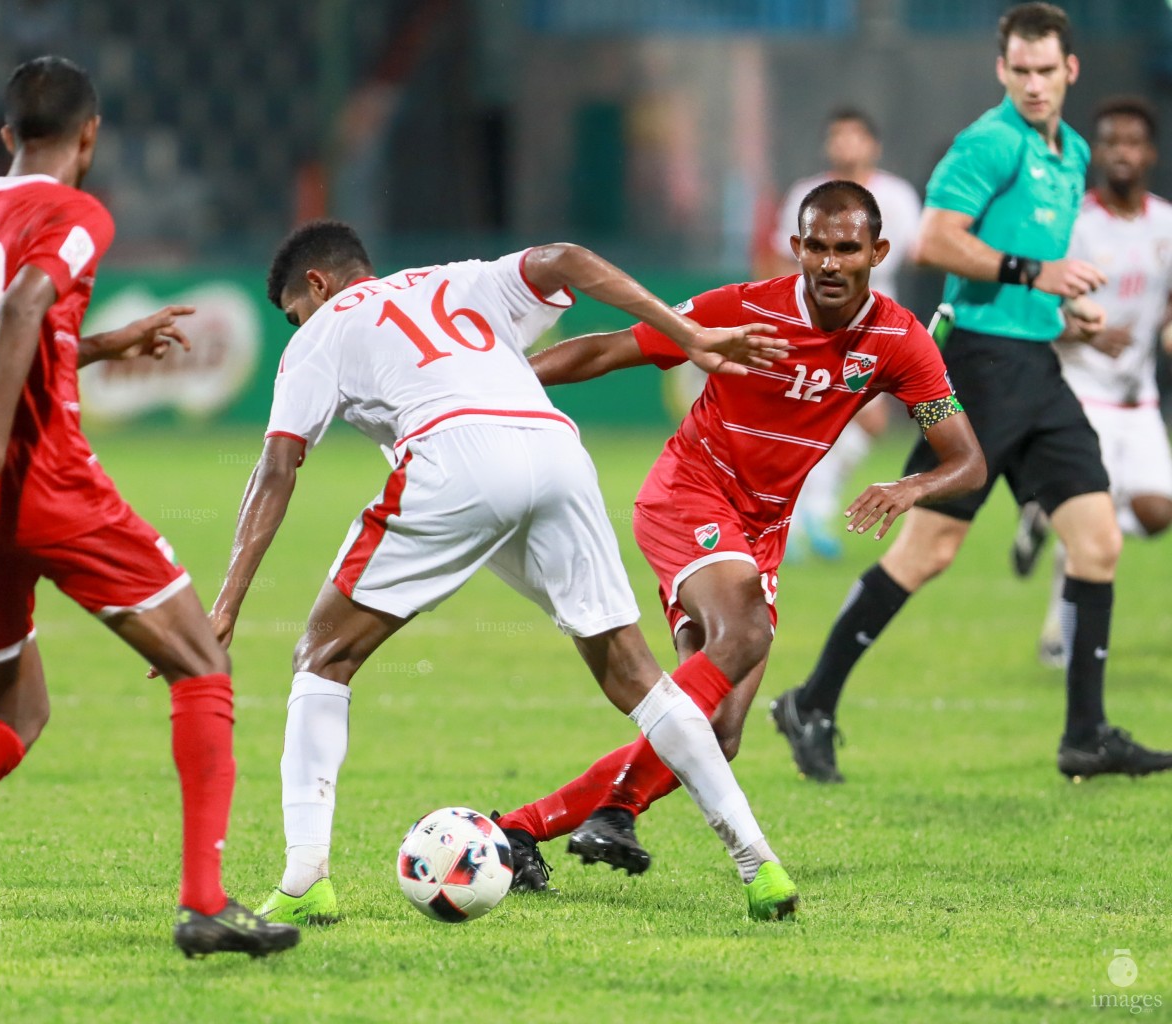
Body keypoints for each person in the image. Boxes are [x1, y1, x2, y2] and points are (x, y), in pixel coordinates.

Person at [212, 220, 801, 926]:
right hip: (555, 452)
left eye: (292, 316)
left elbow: (277, 467)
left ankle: (306, 876)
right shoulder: (456, 277)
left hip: (453, 458)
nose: (295, 329)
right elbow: (570, 257)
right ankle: (758, 863)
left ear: (317, 284)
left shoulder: (323, 329)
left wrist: (226, 605)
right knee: (634, 674)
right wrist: (686, 330)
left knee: (323, 656)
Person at [0, 56, 298, 970]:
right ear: (89, 137)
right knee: (200, 662)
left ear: (5, 135)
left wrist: (100, 345)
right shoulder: (76, 213)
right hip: (39, 481)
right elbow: (25, 303)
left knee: (12, 709)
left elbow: (8, 335)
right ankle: (205, 904)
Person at [491, 181, 983, 883]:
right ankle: (537, 823)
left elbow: (966, 459)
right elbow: (609, 351)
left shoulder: (898, 342)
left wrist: (911, 486)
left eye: (848, 249)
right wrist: (499, 388)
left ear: (878, 251)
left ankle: (589, 817)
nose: (831, 264)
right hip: (688, 495)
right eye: (817, 246)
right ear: (797, 247)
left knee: (718, 734)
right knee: (745, 633)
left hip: (762, 529)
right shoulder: (745, 309)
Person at [770, 3, 1172, 784]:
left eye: (1044, 71)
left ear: (1070, 70)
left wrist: (1067, 308)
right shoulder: (990, 142)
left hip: (1040, 367)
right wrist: (1034, 275)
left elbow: (1039, 270)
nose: (1031, 85)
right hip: (983, 369)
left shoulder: (1072, 151)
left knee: (1098, 541)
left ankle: (1085, 735)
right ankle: (811, 702)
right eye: (1018, 71)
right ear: (1002, 70)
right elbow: (936, 240)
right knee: (929, 552)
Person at [1009, 96, 1172, 666]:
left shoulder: (1166, 224)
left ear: (1149, 152)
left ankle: (1041, 514)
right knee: (1095, 522)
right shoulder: (1075, 225)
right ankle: (1059, 631)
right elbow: (1032, 309)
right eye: (1112, 141)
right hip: (1081, 393)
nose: (1122, 151)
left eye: (1133, 141)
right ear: (1097, 152)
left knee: (1156, 513)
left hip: (1140, 397)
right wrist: (1083, 334)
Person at [759, 109, 926, 561]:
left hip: (878, 322)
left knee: (860, 422)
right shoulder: (807, 194)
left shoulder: (896, 196)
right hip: (822, 318)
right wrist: (780, 318)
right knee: (849, 418)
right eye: (837, 137)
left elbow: (920, 252)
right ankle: (804, 512)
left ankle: (804, 511)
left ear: (873, 145)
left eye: (855, 137)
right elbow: (780, 257)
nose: (846, 145)